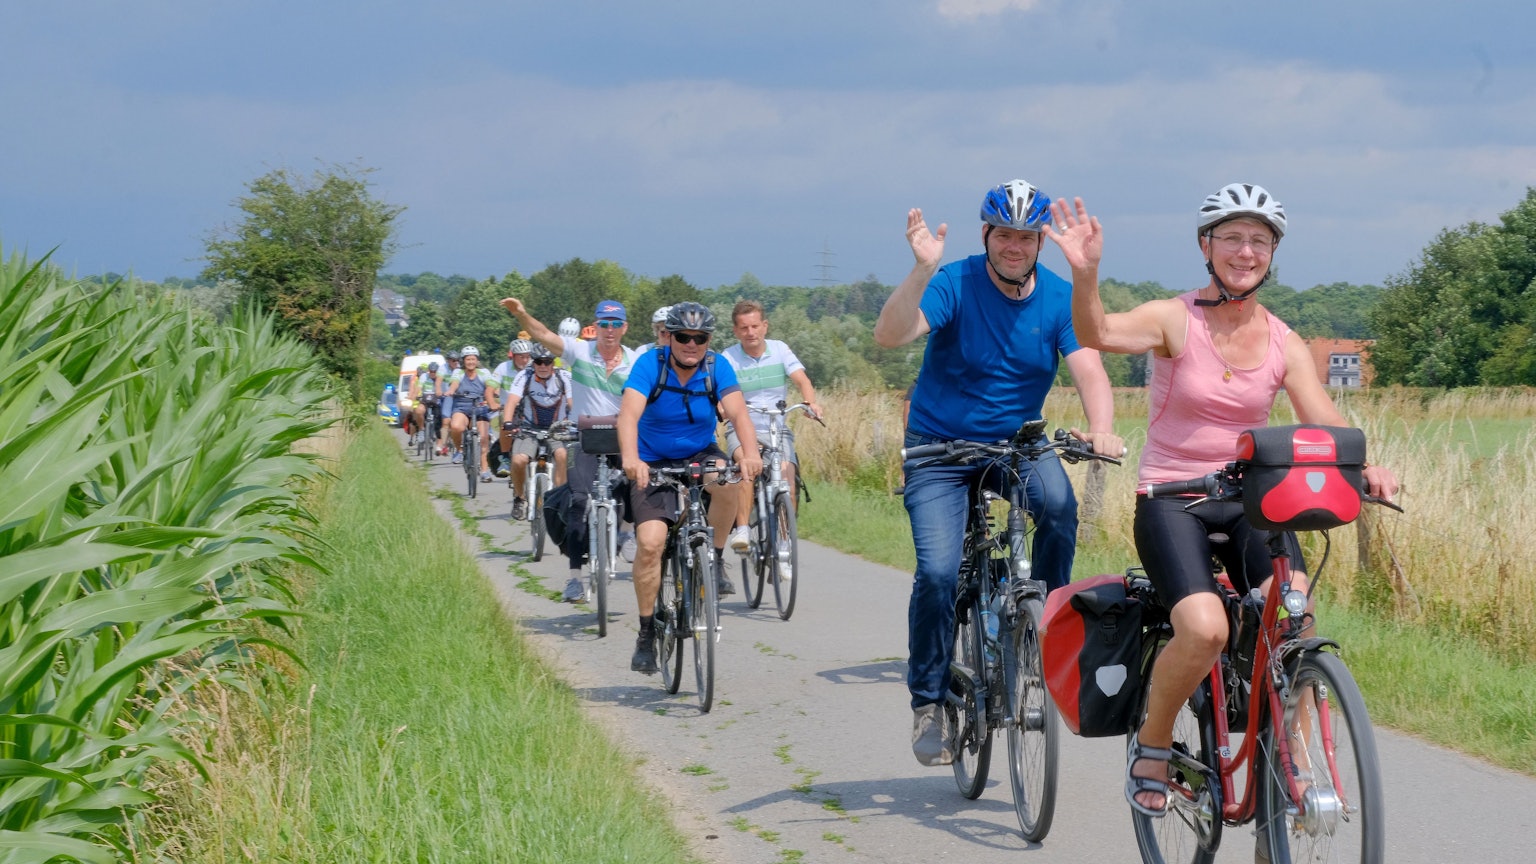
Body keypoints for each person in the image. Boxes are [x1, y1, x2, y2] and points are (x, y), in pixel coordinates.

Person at [1048, 183, 1400, 819]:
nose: (1246, 251)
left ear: (1273, 254)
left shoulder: (1284, 341)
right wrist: (1086, 272)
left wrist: (1364, 465)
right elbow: (1096, 332)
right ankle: (1154, 742)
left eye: (1259, 240)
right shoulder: (1174, 319)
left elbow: (1321, 419)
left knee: (1295, 616)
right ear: (1206, 246)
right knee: (1206, 628)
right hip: (1171, 498)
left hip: (1249, 502)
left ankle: (1291, 763)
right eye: (1232, 237)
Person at [872, 178, 1124, 767]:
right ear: (986, 235)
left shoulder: (1058, 297)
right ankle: (929, 700)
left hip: (1017, 445)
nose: (1015, 246)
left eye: (1026, 237)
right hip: (938, 450)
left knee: (1058, 508)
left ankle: (1043, 631)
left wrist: (1102, 426)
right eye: (1004, 234)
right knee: (938, 573)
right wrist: (920, 270)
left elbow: (1090, 369)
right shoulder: (954, 281)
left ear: (1040, 243)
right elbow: (890, 336)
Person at [617, 302, 763, 675]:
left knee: (728, 482)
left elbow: (738, 413)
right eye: (683, 337)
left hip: (699, 453)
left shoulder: (716, 366)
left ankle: (714, 559)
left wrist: (749, 454)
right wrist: (632, 459)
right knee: (651, 543)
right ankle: (646, 633)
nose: (691, 345)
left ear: (709, 340)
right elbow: (628, 415)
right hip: (652, 461)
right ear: (668, 337)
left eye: (700, 338)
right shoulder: (650, 365)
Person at [502, 297, 642, 602]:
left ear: (624, 328)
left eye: (615, 324)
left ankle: (627, 530)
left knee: (635, 480)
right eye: (604, 324)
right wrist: (522, 314)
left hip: (621, 436)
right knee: (578, 500)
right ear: (596, 327)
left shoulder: (636, 361)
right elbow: (543, 335)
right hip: (584, 437)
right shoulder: (580, 352)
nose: (609, 330)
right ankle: (575, 578)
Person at [720, 299, 822, 558]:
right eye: (744, 328)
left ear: (765, 326)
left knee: (788, 477)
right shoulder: (728, 358)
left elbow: (802, 380)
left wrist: (810, 403)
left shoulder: (780, 350)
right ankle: (743, 530)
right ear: (735, 331)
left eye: (755, 326)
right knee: (746, 467)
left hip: (777, 426)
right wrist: (722, 408)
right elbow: (721, 392)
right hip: (742, 428)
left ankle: (785, 541)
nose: (750, 332)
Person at [502, 344, 574, 519]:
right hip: (529, 429)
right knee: (518, 460)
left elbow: (572, 403)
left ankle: (558, 500)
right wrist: (507, 422)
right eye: (538, 362)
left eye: (547, 362)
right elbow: (512, 401)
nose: (543, 366)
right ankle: (519, 498)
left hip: (557, 429)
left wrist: (576, 421)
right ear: (533, 363)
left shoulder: (564, 377)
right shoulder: (524, 376)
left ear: (553, 363)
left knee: (563, 456)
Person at [445, 346, 502, 482]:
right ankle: (459, 450)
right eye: (468, 359)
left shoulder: (484, 373)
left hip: (480, 408)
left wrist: (495, 393)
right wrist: (451, 390)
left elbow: (490, 385)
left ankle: (484, 471)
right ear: (463, 361)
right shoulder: (458, 372)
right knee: (456, 427)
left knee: (484, 438)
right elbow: (455, 383)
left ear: (477, 361)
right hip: (462, 407)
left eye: (473, 359)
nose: (471, 362)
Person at [491, 337, 536, 477]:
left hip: (530, 408)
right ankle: (505, 457)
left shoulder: (535, 368)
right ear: (514, 356)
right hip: (509, 407)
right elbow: (490, 388)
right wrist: (492, 402)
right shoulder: (503, 368)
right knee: (506, 422)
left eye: (528, 356)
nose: (525, 360)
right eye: (521, 357)